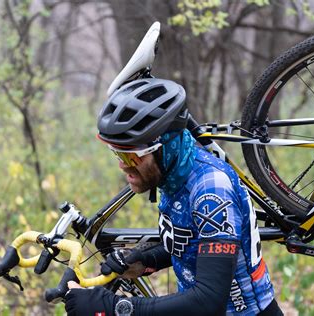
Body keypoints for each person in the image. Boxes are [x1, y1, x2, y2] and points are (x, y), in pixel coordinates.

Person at [65, 78, 283, 315]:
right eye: (117, 153)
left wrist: (114, 307)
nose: (123, 166)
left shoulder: (211, 190)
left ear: (164, 149)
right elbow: (196, 244)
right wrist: (144, 260)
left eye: (131, 157)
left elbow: (209, 300)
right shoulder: (173, 176)